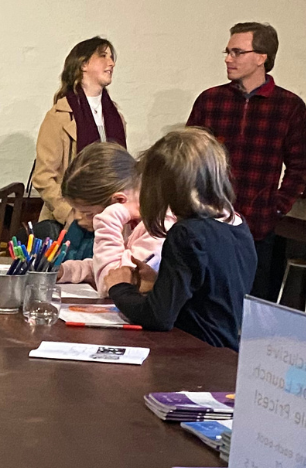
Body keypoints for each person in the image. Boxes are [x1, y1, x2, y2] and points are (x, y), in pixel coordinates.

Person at [185, 22, 306, 301]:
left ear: (261, 57)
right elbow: (187, 158)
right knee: (204, 301)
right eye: (227, 52)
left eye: (237, 52)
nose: (229, 59)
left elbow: (301, 164)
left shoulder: (289, 106)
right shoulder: (210, 100)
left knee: (251, 306)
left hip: (257, 226)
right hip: (208, 221)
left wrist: (276, 206)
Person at [104, 128, 256, 349]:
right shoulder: (239, 225)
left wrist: (119, 288)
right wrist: (160, 282)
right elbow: (209, 295)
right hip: (227, 351)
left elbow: (158, 317)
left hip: (195, 351)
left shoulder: (187, 234)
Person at [31, 37, 126, 224]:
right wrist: (69, 212)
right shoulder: (60, 117)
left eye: (111, 57)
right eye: (103, 56)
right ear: (83, 64)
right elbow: (43, 177)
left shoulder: (116, 117)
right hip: (74, 221)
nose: (111, 63)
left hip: (111, 221)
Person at [54, 142, 164, 287]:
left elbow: (112, 283)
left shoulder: (159, 228)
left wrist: (109, 221)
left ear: (118, 200)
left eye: (89, 213)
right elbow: (106, 266)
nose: (77, 218)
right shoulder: (129, 219)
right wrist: (64, 270)